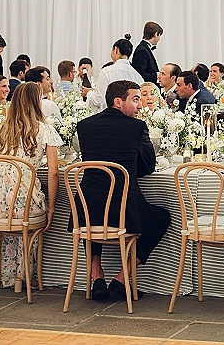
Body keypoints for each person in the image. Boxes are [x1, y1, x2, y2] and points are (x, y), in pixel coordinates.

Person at [73, 80, 171, 301]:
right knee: (162, 218)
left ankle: (96, 275)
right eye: (135, 99)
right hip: (125, 212)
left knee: (94, 217)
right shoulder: (137, 127)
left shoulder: (84, 126)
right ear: (118, 102)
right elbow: (147, 167)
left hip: (86, 210)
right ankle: (122, 277)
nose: (140, 106)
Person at [0, 81, 62, 289]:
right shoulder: (44, 130)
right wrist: (52, 208)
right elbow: (53, 172)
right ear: (37, 103)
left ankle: (4, 274)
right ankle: (25, 275)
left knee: (6, 221)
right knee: (29, 214)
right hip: (24, 200)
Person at [86, 35, 142, 112]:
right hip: (131, 117)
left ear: (116, 49)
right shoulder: (137, 75)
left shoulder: (106, 72)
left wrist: (89, 93)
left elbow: (98, 100)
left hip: (110, 117)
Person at [131, 22, 163, 86]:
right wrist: (157, 75)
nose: (159, 38)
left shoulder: (144, 48)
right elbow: (140, 74)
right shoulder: (142, 50)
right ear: (155, 34)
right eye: (159, 35)